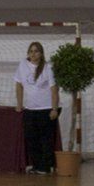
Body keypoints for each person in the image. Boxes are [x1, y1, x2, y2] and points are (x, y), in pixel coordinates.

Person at [15, 42, 60, 174]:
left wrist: (54, 108)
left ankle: (46, 167)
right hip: (30, 109)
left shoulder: (48, 68)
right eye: (31, 51)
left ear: (41, 53)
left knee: (45, 139)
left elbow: (54, 90)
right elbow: (19, 85)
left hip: (45, 108)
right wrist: (19, 104)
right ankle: (36, 165)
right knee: (31, 138)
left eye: (36, 51)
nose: (33, 54)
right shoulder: (23, 65)